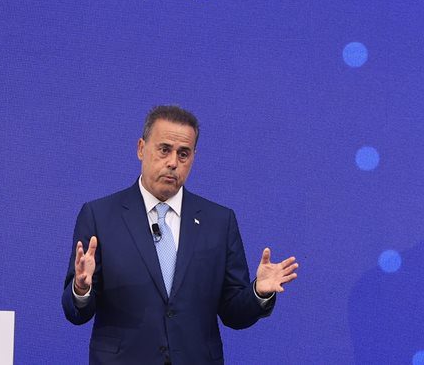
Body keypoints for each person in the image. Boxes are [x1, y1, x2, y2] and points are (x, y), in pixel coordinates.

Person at [61, 105, 297, 364]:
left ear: (193, 157)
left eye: (183, 154)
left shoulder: (219, 221)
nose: (173, 162)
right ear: (141, 148)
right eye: (164, 150)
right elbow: (75, 312)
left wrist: (258, 292)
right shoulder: (100, 215)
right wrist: (81, 289)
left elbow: (233, 313)